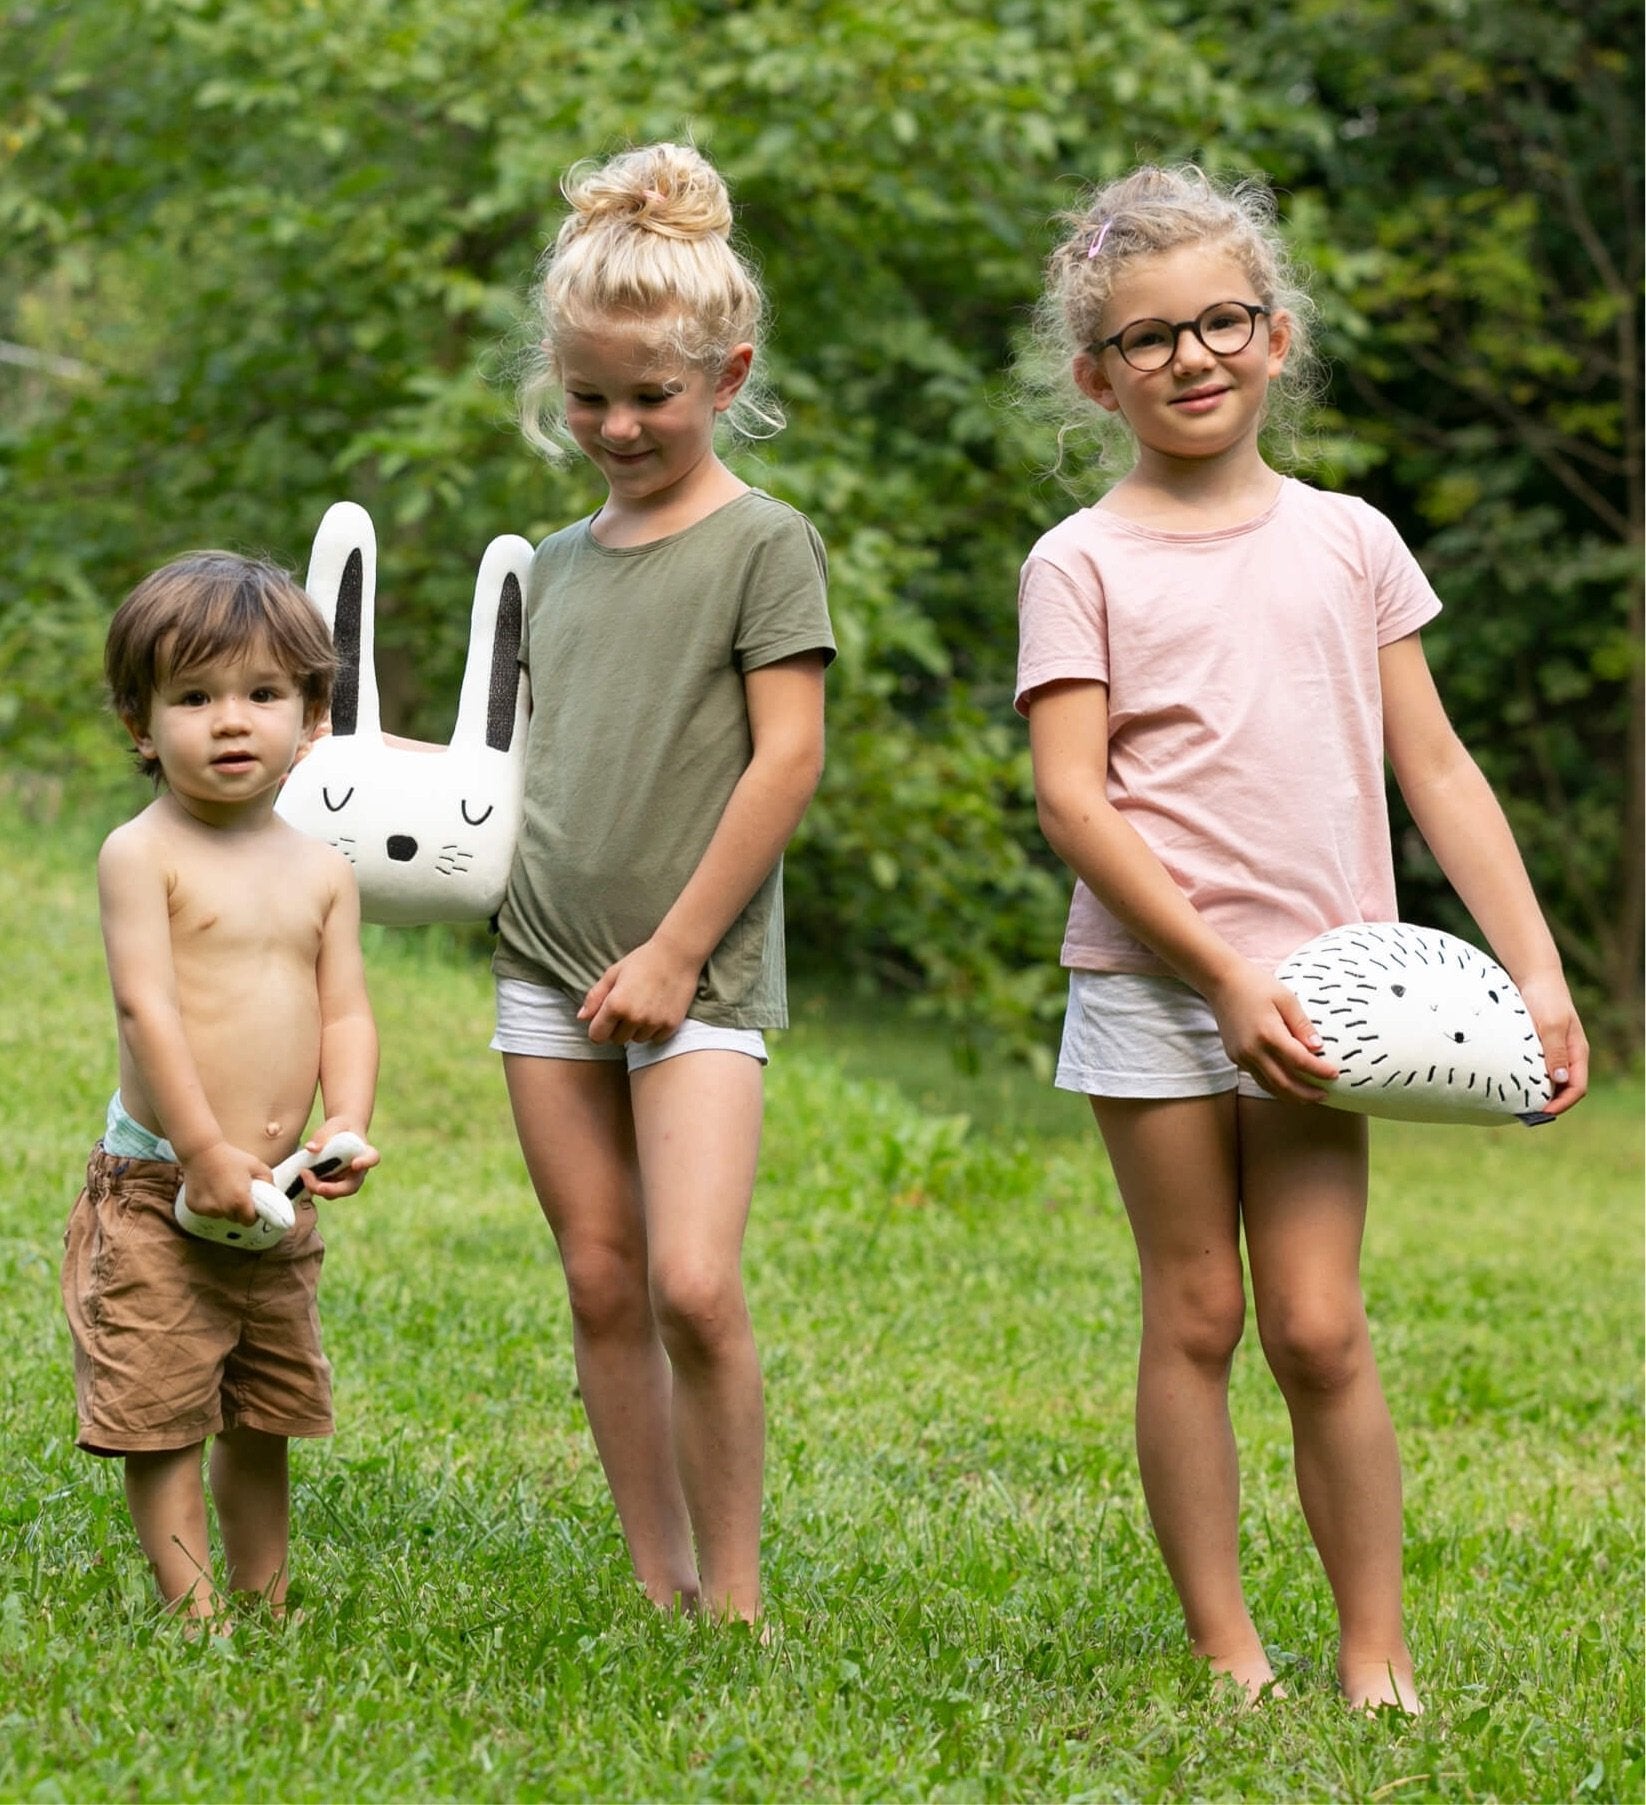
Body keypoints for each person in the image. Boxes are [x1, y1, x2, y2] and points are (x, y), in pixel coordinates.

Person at [1013, 164, 1587, 1712]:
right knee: (1195, 1312)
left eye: (1220, 322)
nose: (1188, 356)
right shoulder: (1080, 561)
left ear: (1276, 337)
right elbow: (1074, 802)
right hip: (1156, 991)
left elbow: (1439, 768)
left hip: (1342, 998)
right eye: (1147, 339)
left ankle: (1374, 1653)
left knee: (1321, 1329)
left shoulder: (1349, 540)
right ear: (1095, 375)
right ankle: (1226, 1653)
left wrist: (1532, 973)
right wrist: (1217, 972)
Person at [493, 142, 834, 1625]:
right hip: (539, 965)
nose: (618, 425)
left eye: (652, 395)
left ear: (727, 371)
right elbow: (504, 755)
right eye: (588, 397)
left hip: (693, 970)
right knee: (599, 1277)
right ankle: (658, 1581)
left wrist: (679, 951)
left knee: (694, 1281)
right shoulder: (552, 563)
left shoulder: (765, 544)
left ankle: (738, 1593)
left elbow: (785, 763)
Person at [62, 552, 380, 1623]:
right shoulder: (140, 854)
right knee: (160, 1406)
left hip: (275, 1192)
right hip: (164, 1185)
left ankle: (264, 1589)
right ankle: (192, 1610)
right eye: (193, 697)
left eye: (261, 694)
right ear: (142, 725)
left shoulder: (323, 868)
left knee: (264, 1406)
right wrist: (201, 1153)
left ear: (313, 714)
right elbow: (147, 1012)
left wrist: (348, 1120)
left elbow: (345, 1012)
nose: (230, 720)